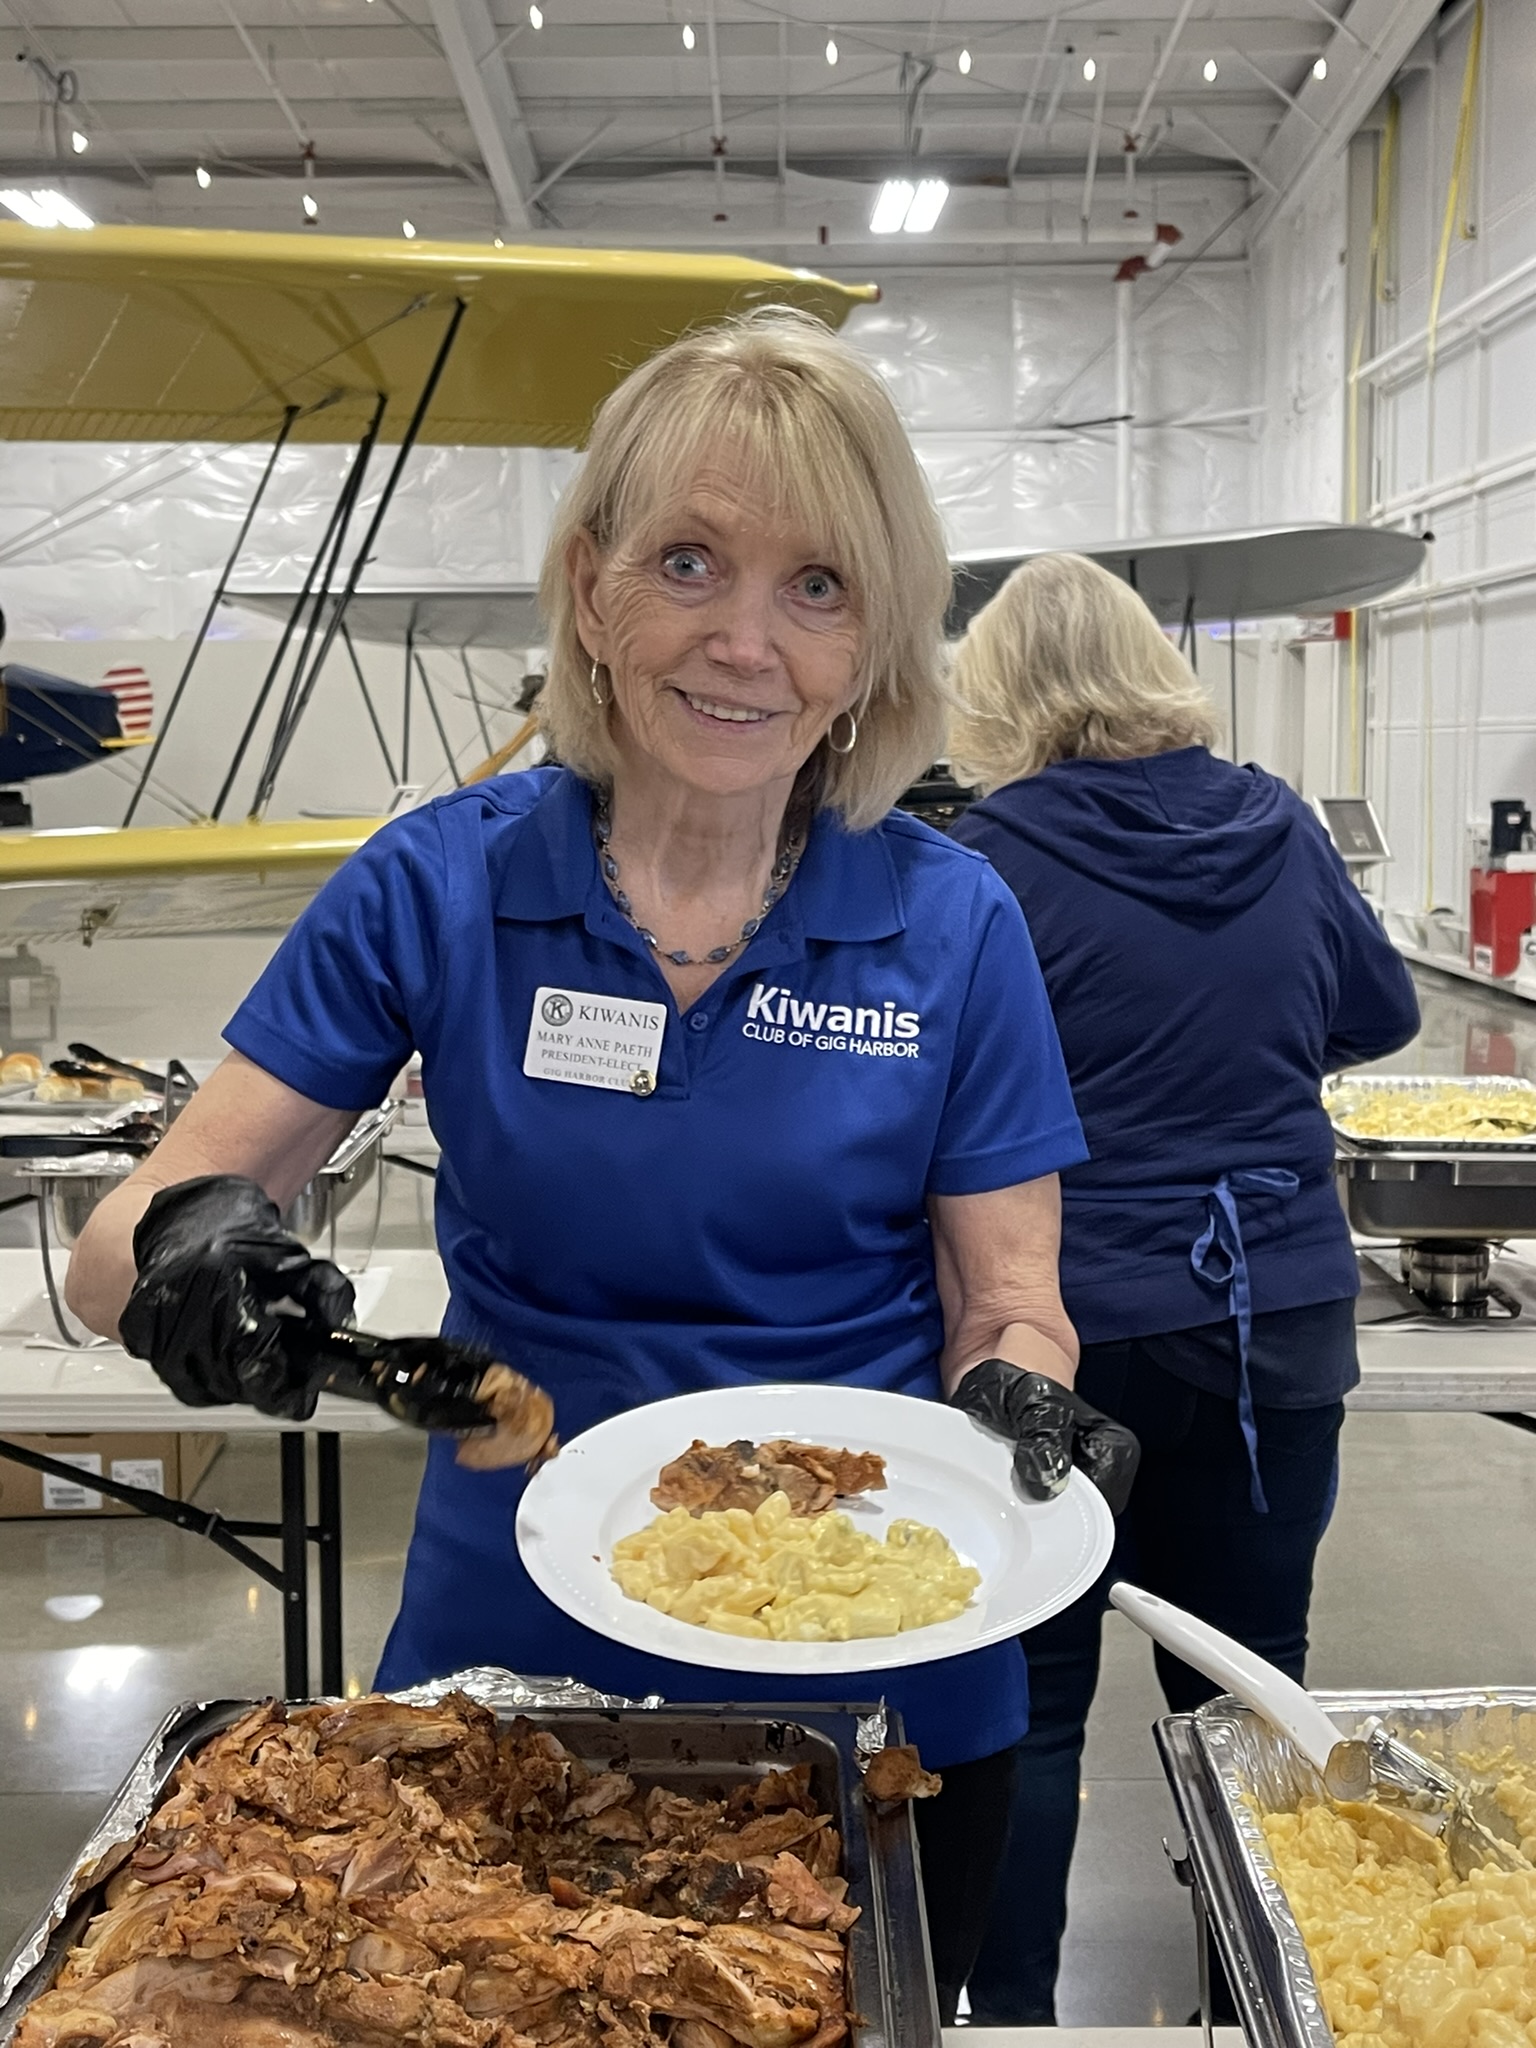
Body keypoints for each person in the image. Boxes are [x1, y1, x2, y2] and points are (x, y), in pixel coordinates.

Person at [66, 313, 1138, 2020]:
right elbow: (114, 1249)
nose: (744, 642)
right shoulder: (440, 886)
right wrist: (204, 1263)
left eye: (819, 587)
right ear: (590, 588)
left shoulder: (955, 922)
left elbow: (1011, 1304)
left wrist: (1023, 1407)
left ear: (874, 643)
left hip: (877, 1681)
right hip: (514, 1678)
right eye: (689, 562)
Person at [946, 551, 1420, 2025]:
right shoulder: (1278, 820)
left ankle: (1013, 2016)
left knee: (1029, 1706)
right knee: (1253, 1691)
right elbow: (1383, 1011)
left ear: (998, 691)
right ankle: (1252, 2005)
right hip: (1271, 1317)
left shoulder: (988, 859)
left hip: (1061, 1332)